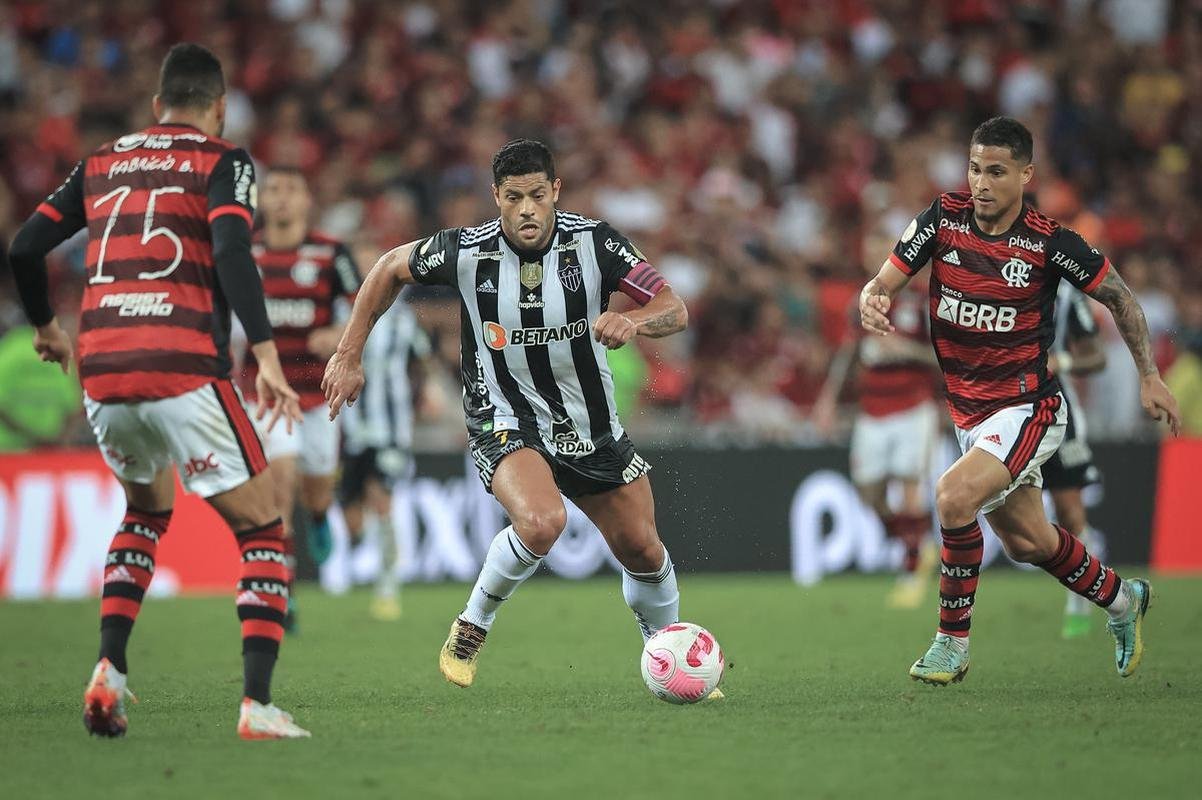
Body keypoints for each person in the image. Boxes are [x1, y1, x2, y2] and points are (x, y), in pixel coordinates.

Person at [322, 139, 703, 693]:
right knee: (543, 522)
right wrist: (348, 353)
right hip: (504, 417)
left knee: (644, 549)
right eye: (514, 196)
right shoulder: (466, 251)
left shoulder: (596, 244)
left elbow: (673, 307)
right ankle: (473, 625)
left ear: (556, 193)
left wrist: (636, 323)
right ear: (496, 197)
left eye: (537, 195)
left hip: (589, 426)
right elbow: (387, 268)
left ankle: (672, 657)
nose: (527, 209)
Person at [5, 43, 309, 739]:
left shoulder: (102, 161)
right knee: (264, 528)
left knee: (144, 514)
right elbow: (232, 251)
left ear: (155, 105)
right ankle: (257, 706)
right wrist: (264, 353)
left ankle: (110, 671)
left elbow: (24, 247)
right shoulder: (221, 160)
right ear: (221, 105)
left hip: (105, 373)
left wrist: (48, 327)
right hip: (182, 364)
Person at [859, 116, 1180, 685]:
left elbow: (1121, 299)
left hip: (1028, 406)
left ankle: (950, 646)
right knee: (1028, 541)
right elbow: (882, 282)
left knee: (952, 498)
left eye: (997, 172)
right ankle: (1124, 600)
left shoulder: (1051, 243)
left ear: (1026, 175)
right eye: (975, 169)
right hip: (968, 412)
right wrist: (873, 299)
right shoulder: (942, 218)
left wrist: (1149, 376)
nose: (982, 183)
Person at [243, 166, 360, 626]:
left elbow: (363, 305)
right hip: (266, 389)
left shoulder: (331, 253)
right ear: (262, 200)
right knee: (280, 479)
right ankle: (283, 587)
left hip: (318, 394)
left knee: (315, 485)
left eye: (292, 189)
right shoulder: (242, 251)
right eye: (274, 190)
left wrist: (336, 332)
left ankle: (318, 515)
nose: (283, 199)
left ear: (307, 200)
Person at [814, 253, 940, 609]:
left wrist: (907, 350)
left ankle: (913, 571)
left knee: (909, 487)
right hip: (872, 410)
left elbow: (942, 356)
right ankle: (915, 543)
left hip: (913, 406)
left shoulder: (921, 300)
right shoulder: (864, 298)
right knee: (869, 493)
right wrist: (828, 398)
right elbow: (849, 351)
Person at [337, 284, 431, 621]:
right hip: (350, 432)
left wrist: (416, 402)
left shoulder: (403, 319)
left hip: (391, 431)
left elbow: (422, 361)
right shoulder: (343, 316)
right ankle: (356, 545)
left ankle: (388, 588)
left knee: (381, 500)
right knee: (351, 516)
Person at [1044, 282, 1109, 638]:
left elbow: (1098, 356)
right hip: (1005, 408)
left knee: (1069, 510)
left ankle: (1080, 596)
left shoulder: (1067, 294)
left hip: (1058, 412)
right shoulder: (993, 275)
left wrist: (1063, 360)